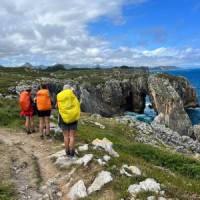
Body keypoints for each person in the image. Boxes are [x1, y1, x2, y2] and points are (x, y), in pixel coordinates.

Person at [57, 84, 80, 158]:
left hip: (63, 118)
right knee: (72, 136)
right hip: (73, 118)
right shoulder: (73, 96)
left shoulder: (60, 96)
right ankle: (72, 152)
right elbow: (77, 103)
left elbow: (56, 106)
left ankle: (67, 152)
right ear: (70, 89)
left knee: (66, 136)